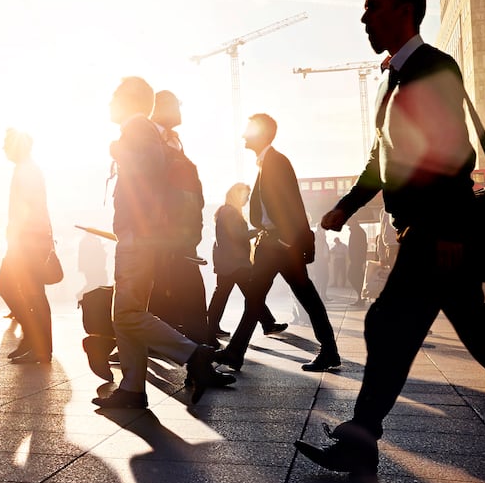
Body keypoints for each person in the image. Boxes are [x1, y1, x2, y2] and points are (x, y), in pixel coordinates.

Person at [298, 0, 485, 476]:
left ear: (405, 9)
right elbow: (380, 161)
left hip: (437, 232)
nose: (365, 17)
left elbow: (455, 153)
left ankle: (361, 439)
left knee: (389, 324)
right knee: (481, 337)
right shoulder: (394, 79)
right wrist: (347, 206)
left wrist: (452, 230)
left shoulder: (433, 67)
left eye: (374, 6)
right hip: (427, 231)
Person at [91, 76, 233, 410]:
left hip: (138, 237)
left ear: (129, 100)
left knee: (125, 314)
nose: (109, 103)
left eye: (114, 96)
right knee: (128, 313)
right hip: (142, 236)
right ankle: (132, 388)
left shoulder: (137, 128)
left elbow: (149, 174)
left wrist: (118, 151)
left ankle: (193, 354)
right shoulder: (144, 130)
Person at [214, 114, 341, 373]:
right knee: (261, 297)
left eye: (248, 130)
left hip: (280, 246)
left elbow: (292, 202)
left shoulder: (276, 162)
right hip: (273, 244)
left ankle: (328, 350)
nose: (243, 135)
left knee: (300, 296)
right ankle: (236, 353)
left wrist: (286, 241)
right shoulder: (266, 163)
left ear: (261, 134)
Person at [145, 90, 213, 346]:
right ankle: (196, 344)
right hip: (163, 232)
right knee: (165, 288)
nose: (180, 111)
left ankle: (196, 343)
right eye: (177, 106)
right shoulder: (150, 136)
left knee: (176, 288)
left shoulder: (174, 139)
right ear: (162, 106)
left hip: (181, 232)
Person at [0, 129, 54, 364]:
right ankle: (33, 340)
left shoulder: (27, 171)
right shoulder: (25, 169)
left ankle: (38, 345)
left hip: (28, 242)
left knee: (27, 292)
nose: (3, 149)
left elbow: (29, 209)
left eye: (6, 144)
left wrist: (17, 239)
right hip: (28, 240)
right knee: (25, 292)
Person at [207, 182, 286, 340]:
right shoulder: (230, 212)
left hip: (228, 262)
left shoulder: (225, 211)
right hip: (235, 263)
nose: (247, 199)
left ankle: (211, 327)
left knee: (224, 294)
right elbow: (237, 235)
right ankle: (267, 324)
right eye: (246, 195)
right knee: (251, 294)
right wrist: (258, 230)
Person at [347, 223, 369, 305]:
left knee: (352, 276)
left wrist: (359, 260)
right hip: (356, 260)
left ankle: (361, 297)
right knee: (357, 278)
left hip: (357, 260)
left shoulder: (358, 232)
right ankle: (361, 297)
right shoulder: (357, 231)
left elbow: (362, 247)